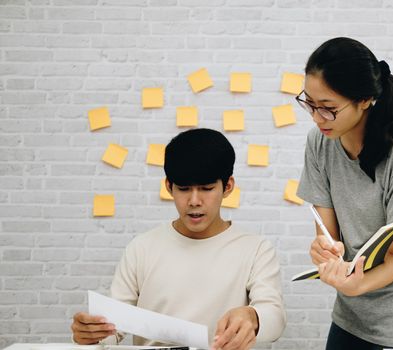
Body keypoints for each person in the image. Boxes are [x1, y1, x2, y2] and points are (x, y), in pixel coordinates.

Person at [296, 37, 393, 350]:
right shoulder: (320, 142)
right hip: (351, 317)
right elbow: (329, 235)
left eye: (328, 108)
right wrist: (325, 251)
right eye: (309, 103)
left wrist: (355, 286)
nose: (316, 117)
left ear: (365, 100)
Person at [71, 128, 286, 350]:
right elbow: (111, 330)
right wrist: (90, 334)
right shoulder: (142, 248)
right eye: (183, 189)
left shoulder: (255, 249)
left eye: (207, 188)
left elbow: (275, 319)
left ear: (228, 187)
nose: (194, 201)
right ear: (168, 187)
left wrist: (252, 317)